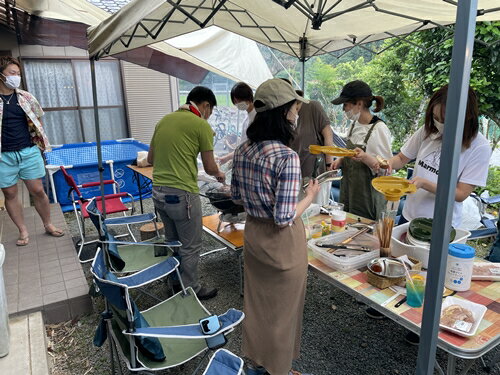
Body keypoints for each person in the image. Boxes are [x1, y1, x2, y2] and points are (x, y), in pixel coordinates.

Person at [231, 78, 320, 375]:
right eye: (294, 110)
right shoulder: (287, 157)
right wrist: (309, 196)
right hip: (282, 243)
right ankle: (278, 369)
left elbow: (236, 196)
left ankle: (260, 365)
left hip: (255, 236)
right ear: (282, 113)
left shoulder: (242, 150)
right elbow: (284, 217)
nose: (296, 116)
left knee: (258, 310)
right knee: (283, 315)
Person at [147, 86, 225, 300]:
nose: (209, 116)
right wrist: (220, 174)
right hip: (182, 194)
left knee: (173, 240)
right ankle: (191, 288)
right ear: (205, 105)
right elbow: (210, 167)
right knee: (191, 245)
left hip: (158, 192)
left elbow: (151, 159)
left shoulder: (163, 121)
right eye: (210, 111)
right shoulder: (201, 125)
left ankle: (174, 282)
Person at [382, 85, 491, 228]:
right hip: (409, 216)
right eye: (435, 117)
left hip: (440, 225)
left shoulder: (479, 146)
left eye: (445, 119)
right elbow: (402, 158)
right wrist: (388, 163)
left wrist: (424, 183)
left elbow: (460, 194)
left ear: (466, 116)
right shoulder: (429, 130)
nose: (439, 124)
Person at [0, 56, 64, 246]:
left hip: (28, 150)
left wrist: (39, 143)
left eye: (18, 74)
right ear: (1, 75)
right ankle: (23, 230)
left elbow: (38, 120)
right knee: (10, 194)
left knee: (37, 190)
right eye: (12, 73)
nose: (16, 77)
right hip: (3, 156)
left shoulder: (26, 97)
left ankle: (48, 224)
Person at [330, 80, 392, 220]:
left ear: (359, 104)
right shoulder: (354, 125)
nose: (343, 109)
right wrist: (341, 159)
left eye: (345, 105)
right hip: (348, 194)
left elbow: (386, 169)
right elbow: (351, 154)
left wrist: (365, 157)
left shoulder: (379, 129)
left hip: (368, 199)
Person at [290, 90, 335, 205]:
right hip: (294, 174)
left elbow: (328, 137)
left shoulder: (313, 106)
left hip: (315, 174)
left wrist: (329, 165)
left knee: (316, 211)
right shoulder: (284, 113)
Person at [218, 82, 256, 165]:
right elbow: (242, 146)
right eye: (234, 102)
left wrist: (226, 158)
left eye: (237, 101)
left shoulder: (256, 117)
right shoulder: (247, 117)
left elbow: (247, 146)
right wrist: (225, 158)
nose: (236, 104)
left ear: (248, 98)